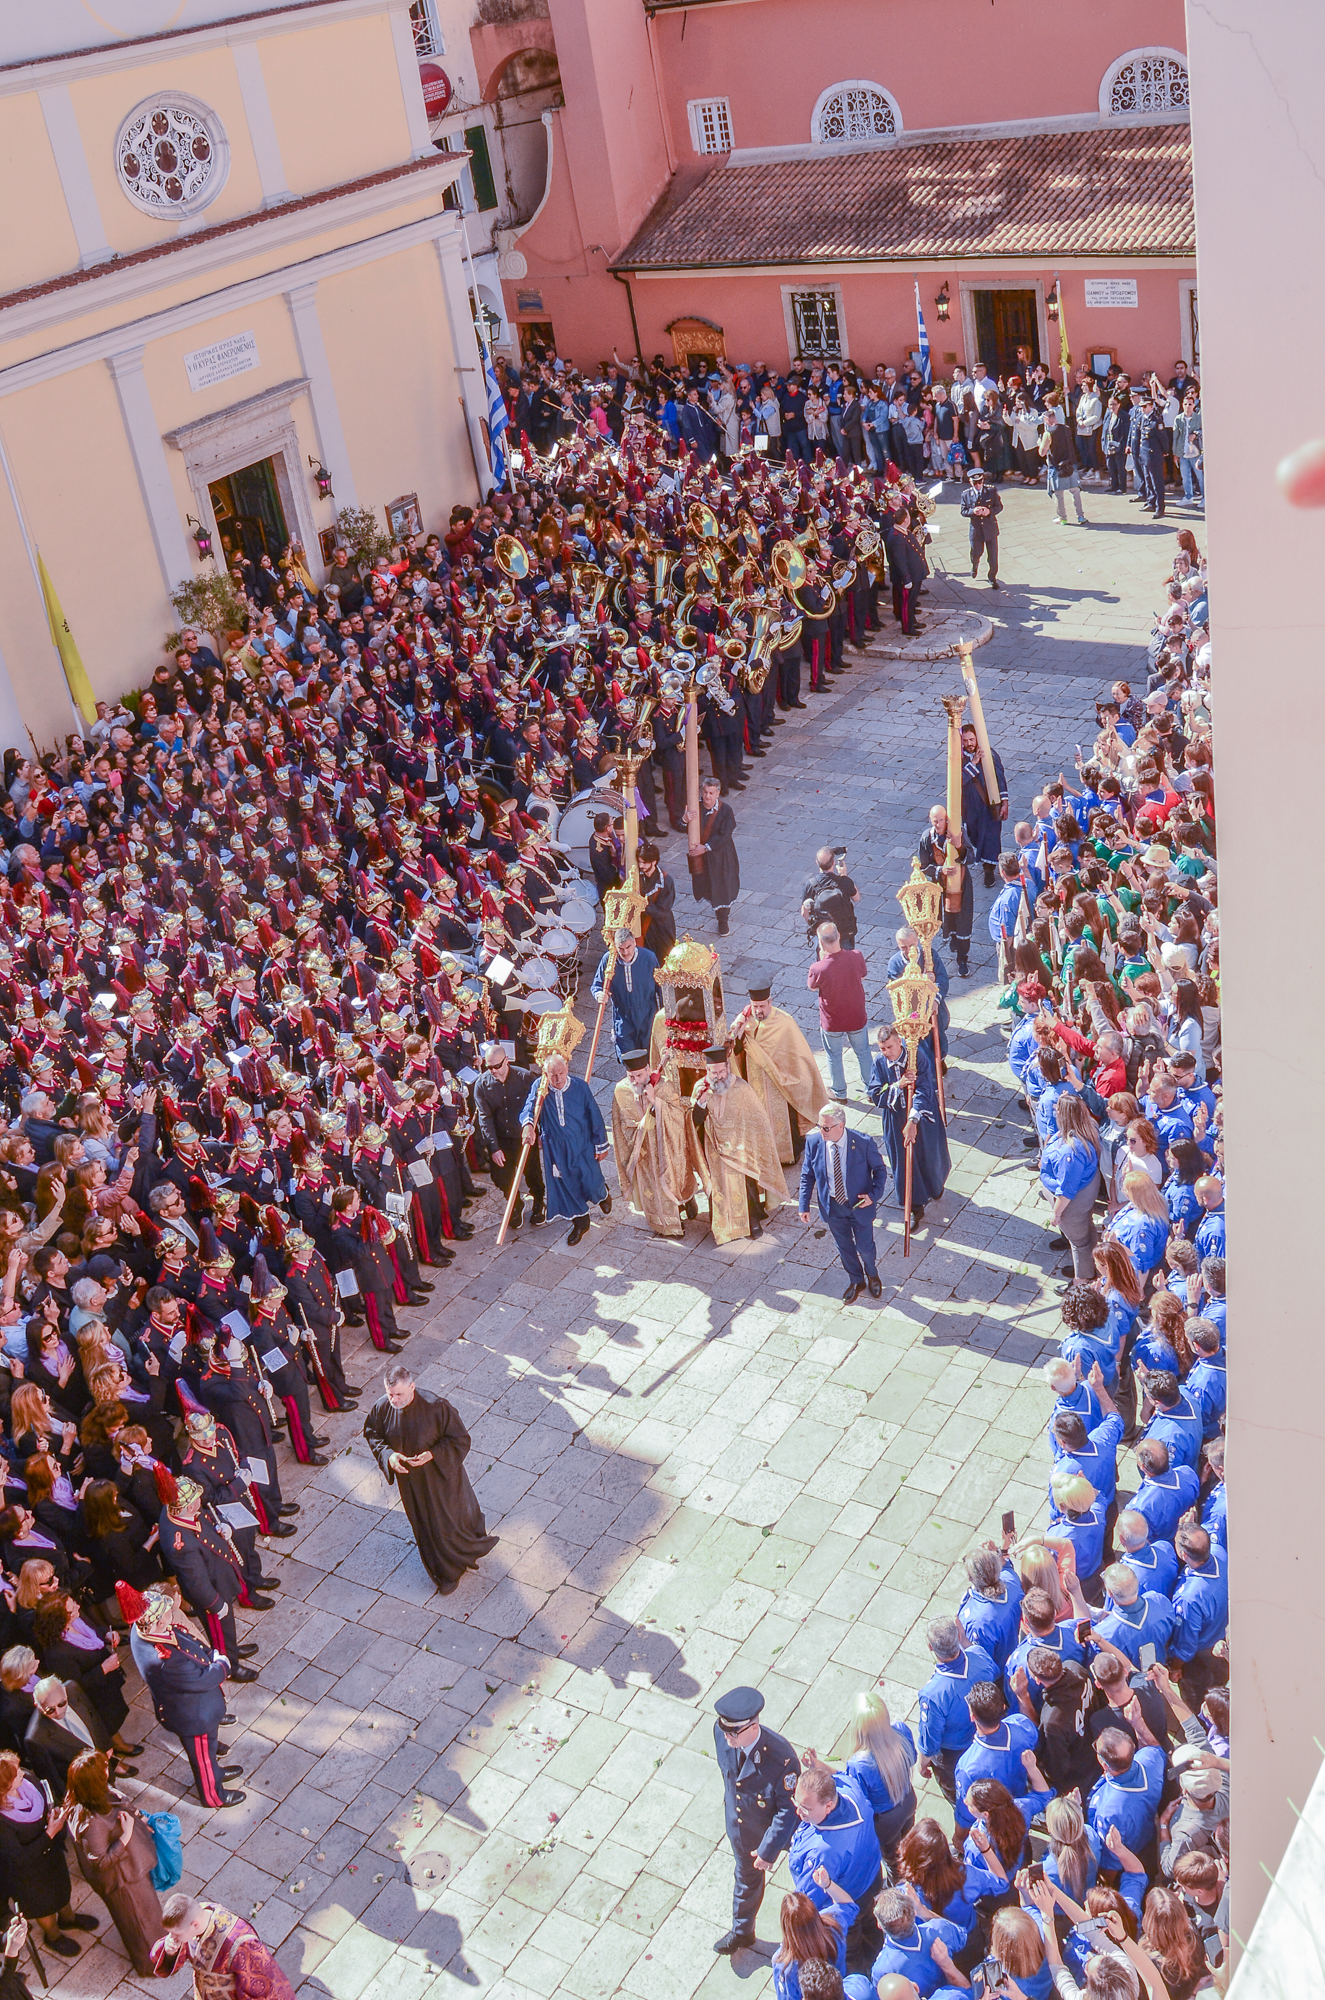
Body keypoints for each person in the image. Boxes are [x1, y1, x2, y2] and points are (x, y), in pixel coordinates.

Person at [362, 1366, 498, 1597]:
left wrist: (433, 1454)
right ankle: (446, 1572)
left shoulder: (437, 1407)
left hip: (441, 1478)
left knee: (451, 1519)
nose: (393, 1400)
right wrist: (388, 1455)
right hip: (411, 1483)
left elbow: (460, 1439)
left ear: (412, 1387)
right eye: (389, 1394)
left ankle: (470, 1544)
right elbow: (372, 1433)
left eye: (399, 1394)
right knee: (426, 1525)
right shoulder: (382, 1407)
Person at [127, 1585, 244, 1810]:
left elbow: (184, 1641)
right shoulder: (164, 1660)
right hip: (193, 1716)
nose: (172, 1613)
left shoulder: (143, 1629)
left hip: (192, 1707)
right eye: (167, 1612)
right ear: (159, 1622)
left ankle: (216, 1771)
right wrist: (221, 1665)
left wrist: (210, 1654)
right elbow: (201, 1680)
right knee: (202, 1757)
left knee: (208, 1753)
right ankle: (213, 1795)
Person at [711, 1684, 801, 1956]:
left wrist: (768, 1850)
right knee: (746, 1879)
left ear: (752, 1726)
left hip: (782, 1833)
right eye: (724, 1730)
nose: (727, 1737)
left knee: (807, 1876)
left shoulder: (781, 1758)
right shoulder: (721, 1734)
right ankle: (742, 1932)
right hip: (743, 1829)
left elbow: (788, 1810)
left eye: (733, 1732)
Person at [64, 1748, 163, 1976]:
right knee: (140, 1922)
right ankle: (151, 1965)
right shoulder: (91, 1823)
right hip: (123, 1881)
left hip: (130, 1871)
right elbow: (100, 1861)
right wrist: (126, 1835)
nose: (108, 1767)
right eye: (103, 1768)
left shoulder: (94, 1795)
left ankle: (161, 1947)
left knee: (149, 1915)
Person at [0, 1748, 100, 1958]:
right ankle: (53, 1936)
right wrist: (49, 1833)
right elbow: (17, 1859)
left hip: (51, 1856)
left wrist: (52, 1811)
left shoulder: (25, 1777)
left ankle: (68, 1919)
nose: (22, 1773)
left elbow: (46, 1793)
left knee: (62, 1887)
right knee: (43, 1906)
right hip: (29, 1874)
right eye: (16, 1774)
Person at [689, 1046, 787, 1245]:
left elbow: (756, 1120)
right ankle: (722, 1224)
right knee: (717, 1185)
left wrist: (745, 1142)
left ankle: (752, 1221)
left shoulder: (741, 1088)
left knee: (746, 1180)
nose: (718, 1076)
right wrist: (700, 1103)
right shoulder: (701, 1088)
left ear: (728, 1068)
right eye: (713, 1072)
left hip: (740, 1144)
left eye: (721, 1071)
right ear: (707, 1071)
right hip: (714, 1147)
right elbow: (694, 1123)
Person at [731, 984, 829, 1164]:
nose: (758, 1011)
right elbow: (736, 1050)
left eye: (762, 1006)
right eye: (755, 1006)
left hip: (781, 1083)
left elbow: (796, 1055)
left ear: (770, 1002)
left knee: (788, 1119)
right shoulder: (746, 1021)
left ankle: (790, 1154)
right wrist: (738, 1034)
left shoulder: (785, 1022)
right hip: (755, 1081)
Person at [798, 1105, 887, 1303]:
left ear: (841, 1126)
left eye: (826, 1128)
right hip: (833, 1207)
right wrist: (803, 1205)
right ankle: (857, 1280)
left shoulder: (862, 1143)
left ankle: (872, 1274)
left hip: (859, 1205)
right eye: (819, 1126)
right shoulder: (814, 1143)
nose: (821, 1131)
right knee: (844, 1246)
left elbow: (880, 1170)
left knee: (865, 1247)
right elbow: (807, 1175)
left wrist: (873, 1195)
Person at [868, 1025, 950, 1231]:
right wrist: (899, 1085)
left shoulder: (917, 1058)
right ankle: (914, 1205)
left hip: (921, 1117)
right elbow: (874, 1093)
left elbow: (925, 1089)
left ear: (899, 1042)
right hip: (895, 1119)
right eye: (882, 1048)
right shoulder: (879, 1062)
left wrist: (913, 1120)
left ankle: (935, 1184)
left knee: (928, 1155)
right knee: (904, 1162)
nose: (887, 1052)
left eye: (889, 1047)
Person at [609, 1050, 697, 1239]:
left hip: (667, 1143)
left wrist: (654, 1101)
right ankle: (667, 1224)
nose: (635, 1081)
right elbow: (618, 1124)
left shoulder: (663, 1086)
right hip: (642, 1150)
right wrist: (636, 1137)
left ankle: (687, 1200)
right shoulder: (621, 1090)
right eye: (630, 1076)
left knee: (676, 1179)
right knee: (653, 1186)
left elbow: (676, 1114)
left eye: (639, 1075)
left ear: (648, 1070)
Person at [150, 1895, 299, 2000]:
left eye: (176, 1934)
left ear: (194, 1925)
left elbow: (265, 1986)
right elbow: (172, 1955)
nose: (172, 1938)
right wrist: (170, 1952)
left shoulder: (241, 1944)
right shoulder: (196, 1918)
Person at [474, 1043, 545, 1231]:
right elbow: (485, 1117)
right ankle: (515, 1203)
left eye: (497, 1066)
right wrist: (493, 1147)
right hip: (501, 1139)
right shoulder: (482, 1085)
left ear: (507, 1060)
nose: (493, 1071)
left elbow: (538, 1107)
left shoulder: (525, 1077)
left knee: (533, 1173)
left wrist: (539, 1132)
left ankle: (539, 1201)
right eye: (489, 1067)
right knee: (502, 1177)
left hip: (524, 1136)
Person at [807, 924, 873, 1102]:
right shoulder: (856, 956)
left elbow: (812, 987)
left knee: (834, 1055)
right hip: (856, 1016)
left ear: (821, 942)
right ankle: (872, 1089)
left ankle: (839, 1092)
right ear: (839, 936)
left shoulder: (818, 968)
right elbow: (863, 976)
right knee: (863, 1052)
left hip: (832, 1020)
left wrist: (822, 960)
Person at [590, 928, 660, 1061]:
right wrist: (599, 994)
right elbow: (597, 985)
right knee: (629, 1058)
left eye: (628, 947)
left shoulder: (649, 958)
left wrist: (664, 1014)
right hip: (623, 1017)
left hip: (648, 1014)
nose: (625, 952)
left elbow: (660, 987)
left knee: (651, 1054)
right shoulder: (609, 960)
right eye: (620, 948)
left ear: (634, 942)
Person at [686, 776, 740, 935]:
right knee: (707, 884)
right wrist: (684, 819)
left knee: (722, 886)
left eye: (711, 793)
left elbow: (725, 835)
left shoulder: (726, 810)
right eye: (705, 792)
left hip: (721, 856)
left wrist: (707, 847)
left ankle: (723, 920)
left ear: (717, 793)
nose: (707, 796)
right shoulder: (696, 807)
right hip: (703, 858)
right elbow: (686, 828)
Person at [960, 722, 1009, 885]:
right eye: (965, 740)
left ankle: (989, 870)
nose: (969, 744)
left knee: (990, 838)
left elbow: (1000, 779)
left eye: (972, 739)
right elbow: (959, 780)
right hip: (970, 807)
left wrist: (1004, 802)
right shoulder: (959, 759)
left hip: (989, 806)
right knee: (974, 835)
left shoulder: (990, 755)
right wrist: (973, 763)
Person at [960, 465, 1002, 586]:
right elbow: (963, 511)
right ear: (970, 481)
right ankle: (974, 565)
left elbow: (999, 506)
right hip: (976, 530)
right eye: (975, 483)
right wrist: (973, 511)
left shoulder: (991, 491)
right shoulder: (966, 494)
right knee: (976, 553)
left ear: (983, 480)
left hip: (990, 529)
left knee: (993, 556)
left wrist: (989, 512)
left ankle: (992, 577)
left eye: (980, 482)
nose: (978, 485)